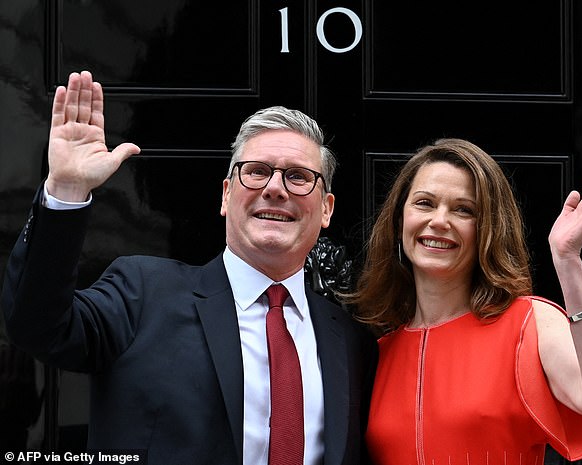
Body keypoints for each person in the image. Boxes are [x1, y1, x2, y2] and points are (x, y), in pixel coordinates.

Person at [1, 71, 378, 464]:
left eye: (298, 177)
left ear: (327, 209)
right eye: (257, 171)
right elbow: (36, 326)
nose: (275, 188)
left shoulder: (352, 343)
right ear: (226, 194)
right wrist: (66, 191)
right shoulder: (142, 293)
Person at [346, 138, 582, 464]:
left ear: (487, 230)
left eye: (463, 210)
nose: (440, 221)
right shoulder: (377, 351)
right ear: (399, 222)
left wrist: (567, 261)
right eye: (425, 203)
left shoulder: (528, 323)